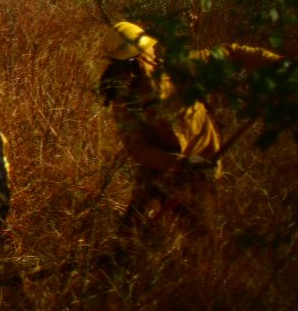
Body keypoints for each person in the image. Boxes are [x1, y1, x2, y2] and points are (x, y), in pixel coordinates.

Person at [97, 20, 283, 237]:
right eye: (149, 47)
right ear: (138, 58)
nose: (154, 50)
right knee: (130, 234)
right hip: (160, 171)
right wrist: (179, 163)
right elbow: (137, 148)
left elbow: (231, 54)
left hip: (202, 170)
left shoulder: (179, 68)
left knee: (201, 238)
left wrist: (277, 65)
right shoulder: (124, 98)